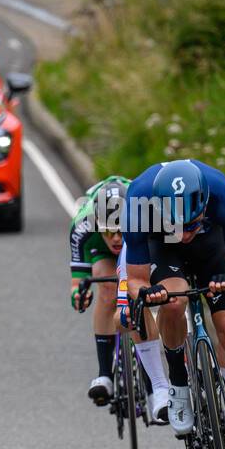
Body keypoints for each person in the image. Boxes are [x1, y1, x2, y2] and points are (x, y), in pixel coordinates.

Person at [124, 158, 225, 449]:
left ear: (205, 204)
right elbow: (134, 279)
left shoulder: (222, 194)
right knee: (173, 304)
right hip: (164, 251)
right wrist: (148, 294)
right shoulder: (138, 199)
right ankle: (178, 386)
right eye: (177, 225)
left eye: (191, 224)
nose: (185, 233)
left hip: (213, 250)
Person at [69, 175, 171, 421]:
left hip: (137, 243)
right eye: (108, 231)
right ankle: (105, 374)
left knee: (140, 295)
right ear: (97, 224)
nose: (115, 238)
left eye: (118, 230)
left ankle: (153, 388)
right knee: (106, 288)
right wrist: (79, 295)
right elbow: (77, 282)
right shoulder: (82, 226)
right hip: (99, 253)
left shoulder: (144, 215)